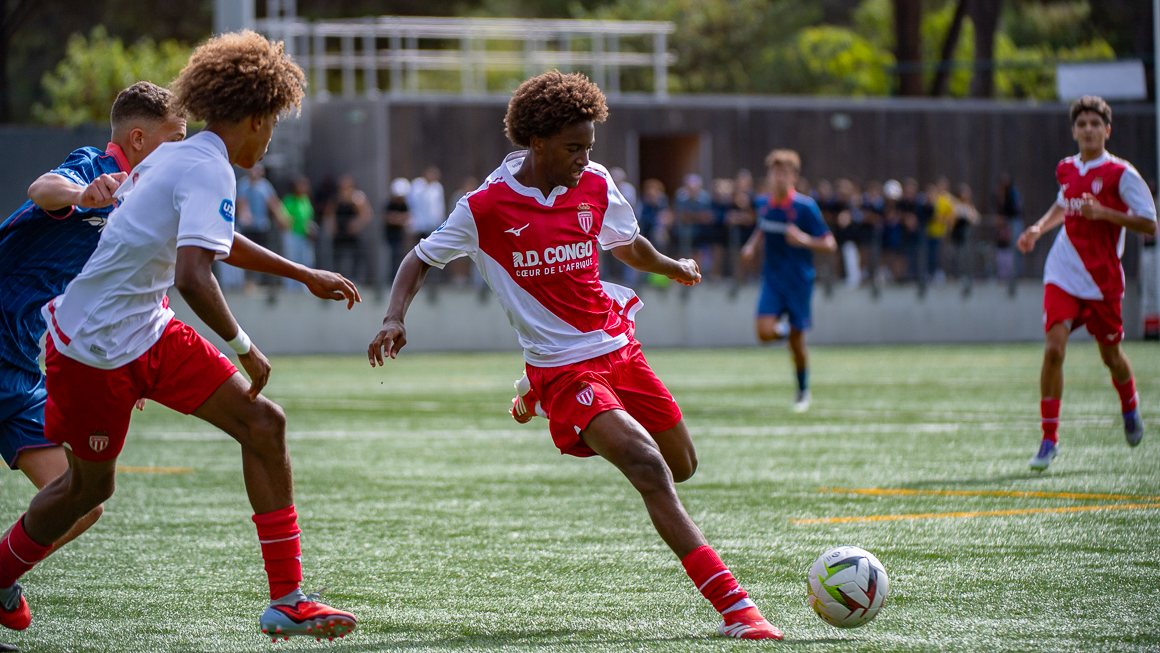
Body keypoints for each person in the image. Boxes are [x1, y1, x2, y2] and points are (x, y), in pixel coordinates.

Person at [367, 71, 783, 640]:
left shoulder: (594, 183)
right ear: (536, 142)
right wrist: (394, 317)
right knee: (648, 467)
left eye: (590, 146)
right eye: (573, 147)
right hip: (563, 368)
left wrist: (671, 266)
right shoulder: (485, 207)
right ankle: (738, 609)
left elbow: (627, 243)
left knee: (683, 464)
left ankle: (528, 392)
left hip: (618, 346)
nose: (585, 159)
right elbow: (417, 259)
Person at [0, 31, 360, 639]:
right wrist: (244, 347)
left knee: (263, 424)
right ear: (252, 118)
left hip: (146, 330)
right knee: (88, 489)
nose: (269, 139)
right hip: (90, 350)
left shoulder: (180, 156)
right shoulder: (204, 163)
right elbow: (195, 274)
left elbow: (211, 240)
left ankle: (288, 599)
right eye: (270, 124)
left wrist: (303, 274)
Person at [0, 81, 186, 571]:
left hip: (18, 367)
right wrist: (83, 195)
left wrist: (141, 350)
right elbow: (43, 188)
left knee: (81, 502)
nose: (184, 151)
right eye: (177, 138)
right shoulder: (97, 168)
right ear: (140, 140)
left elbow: (145, 286)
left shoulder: (146, 205)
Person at [1016, 95, 1156, 471]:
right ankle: (1049, 439)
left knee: (1111, 357)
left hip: (1103, 281)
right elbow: (1065, 204)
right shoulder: (1066, 168)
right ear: (1074, 131)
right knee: (1054, 350)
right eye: (1082, 124)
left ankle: (1130, 405)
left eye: (1096, 123)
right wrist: (1039, 228)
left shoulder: (1121, 174)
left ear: (1107, 130)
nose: (1089, 129)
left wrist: (1105, 213)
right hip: (1062, 272)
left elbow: (1150, 223)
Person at [740, 149, 837, 413]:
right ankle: (785, 328)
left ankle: (803, 391)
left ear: (794, 176)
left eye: (785, 172)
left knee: (797, 343)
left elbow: (830, 243)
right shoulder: (763, 203)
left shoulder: (805, 207)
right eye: (775, 171)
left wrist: (804, 240)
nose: (779, 177)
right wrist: (751, 246)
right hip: (772, 279)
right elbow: (763, 226)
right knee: (763, 332)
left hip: (799, 282)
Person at [237, 163, 290, 290]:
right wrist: (245, 217)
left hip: (262, 227)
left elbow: (273, 203)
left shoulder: (265, 186)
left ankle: (263, 281)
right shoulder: (243, 185)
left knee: (263, 254)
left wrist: (282, 218)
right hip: (248, 228)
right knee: (247, 255)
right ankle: (249, 282)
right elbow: (241, 203)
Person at [322, 174, 372, 283]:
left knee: (357, 259)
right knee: (338, 258)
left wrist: (356, 225)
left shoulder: (358, 198)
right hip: (339, 235)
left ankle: (357, 281)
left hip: (353, 236)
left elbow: (366, 214)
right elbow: (329, 214)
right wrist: (331, 228)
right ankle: (336, 280)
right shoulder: (336, 199)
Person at [281, 176, 316, 292]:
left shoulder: (305, 200)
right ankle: (290, 289)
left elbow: (308, 217)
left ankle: (305, 289)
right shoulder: (289, 200)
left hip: (304, 237)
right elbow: (285, 219)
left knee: (306, 262)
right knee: (292, 262)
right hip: (292, 235)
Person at [383, 177, 411, 282]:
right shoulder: (389, 203)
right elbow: (387, 218)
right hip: (390, 235)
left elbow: (407, 218)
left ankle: (398, 278)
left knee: (399, 257)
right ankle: (391, 279)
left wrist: (397, 218)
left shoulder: (404, 205)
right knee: (392, 258)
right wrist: (399, 219)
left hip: (400, 235)